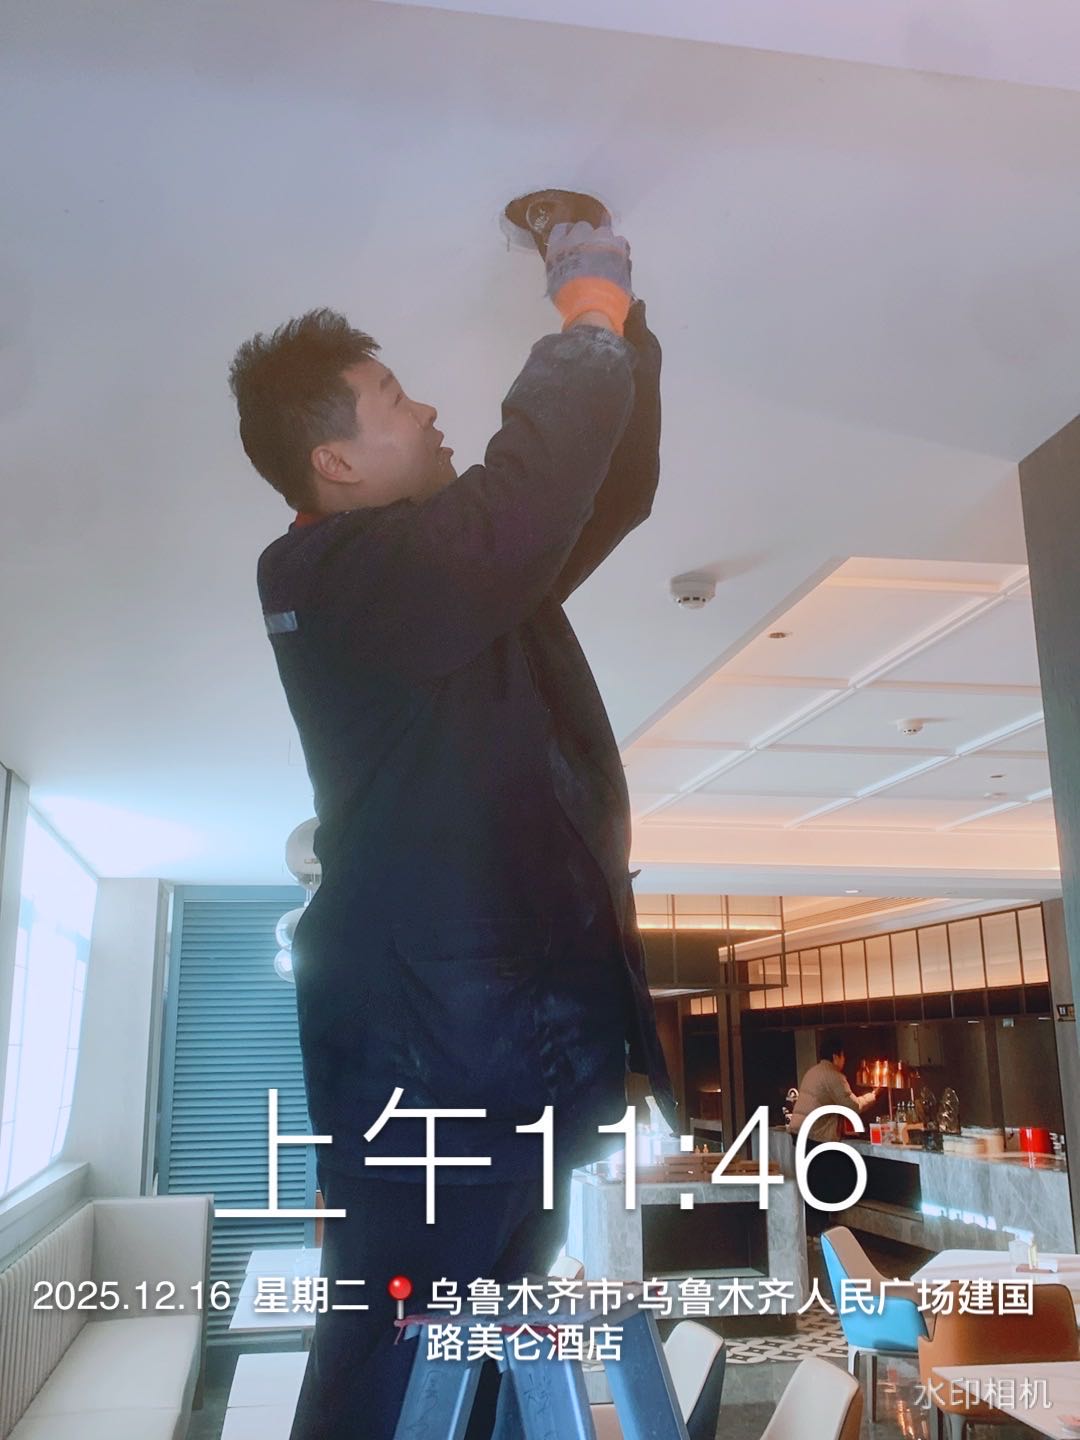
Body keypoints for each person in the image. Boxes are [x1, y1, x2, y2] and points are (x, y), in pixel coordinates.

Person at [229, 220, 679, 1440]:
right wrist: (586, 315)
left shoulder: (452, 590)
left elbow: (603, 492)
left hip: (503, 1054)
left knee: (472, 1342)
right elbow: (517, 510)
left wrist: (622, 333)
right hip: (438, 1063)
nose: (429, 410)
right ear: (333, 462)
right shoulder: (325, 579)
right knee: (401, 1341)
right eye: (394, 399)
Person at [788, 1033, 878, 1232]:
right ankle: (820, 1231)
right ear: (836, 1056)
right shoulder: (834, 1076)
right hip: (816, 1135)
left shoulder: (812, 1071)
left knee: (811, 1183)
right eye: (843, 1056)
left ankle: (812, 1233)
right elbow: (853, 1106)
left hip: (801, 1133)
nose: (844, 1060)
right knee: (821, 1184)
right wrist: (872, 1095)